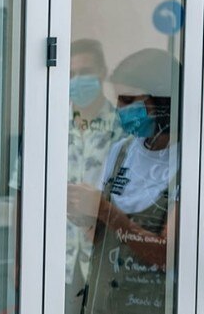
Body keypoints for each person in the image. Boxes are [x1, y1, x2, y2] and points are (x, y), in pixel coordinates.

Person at [68, 48, 180, 314]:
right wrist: (83, 215)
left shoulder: (188, 163)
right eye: (119, 100)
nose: (121, 110)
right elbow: (100, 237)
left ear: (163, 103)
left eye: (130, 100)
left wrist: (105, 210)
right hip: (105, 301)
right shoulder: (121, 151)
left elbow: (166, 255)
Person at [64, 39, 125, 311]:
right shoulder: (48, 125)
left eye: (85, 72)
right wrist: (20, 260)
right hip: (55, 256)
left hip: (104, 258)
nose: (77, 81)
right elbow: (22, 191)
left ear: (102, 72)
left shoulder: (123, 130)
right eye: (71, 75)